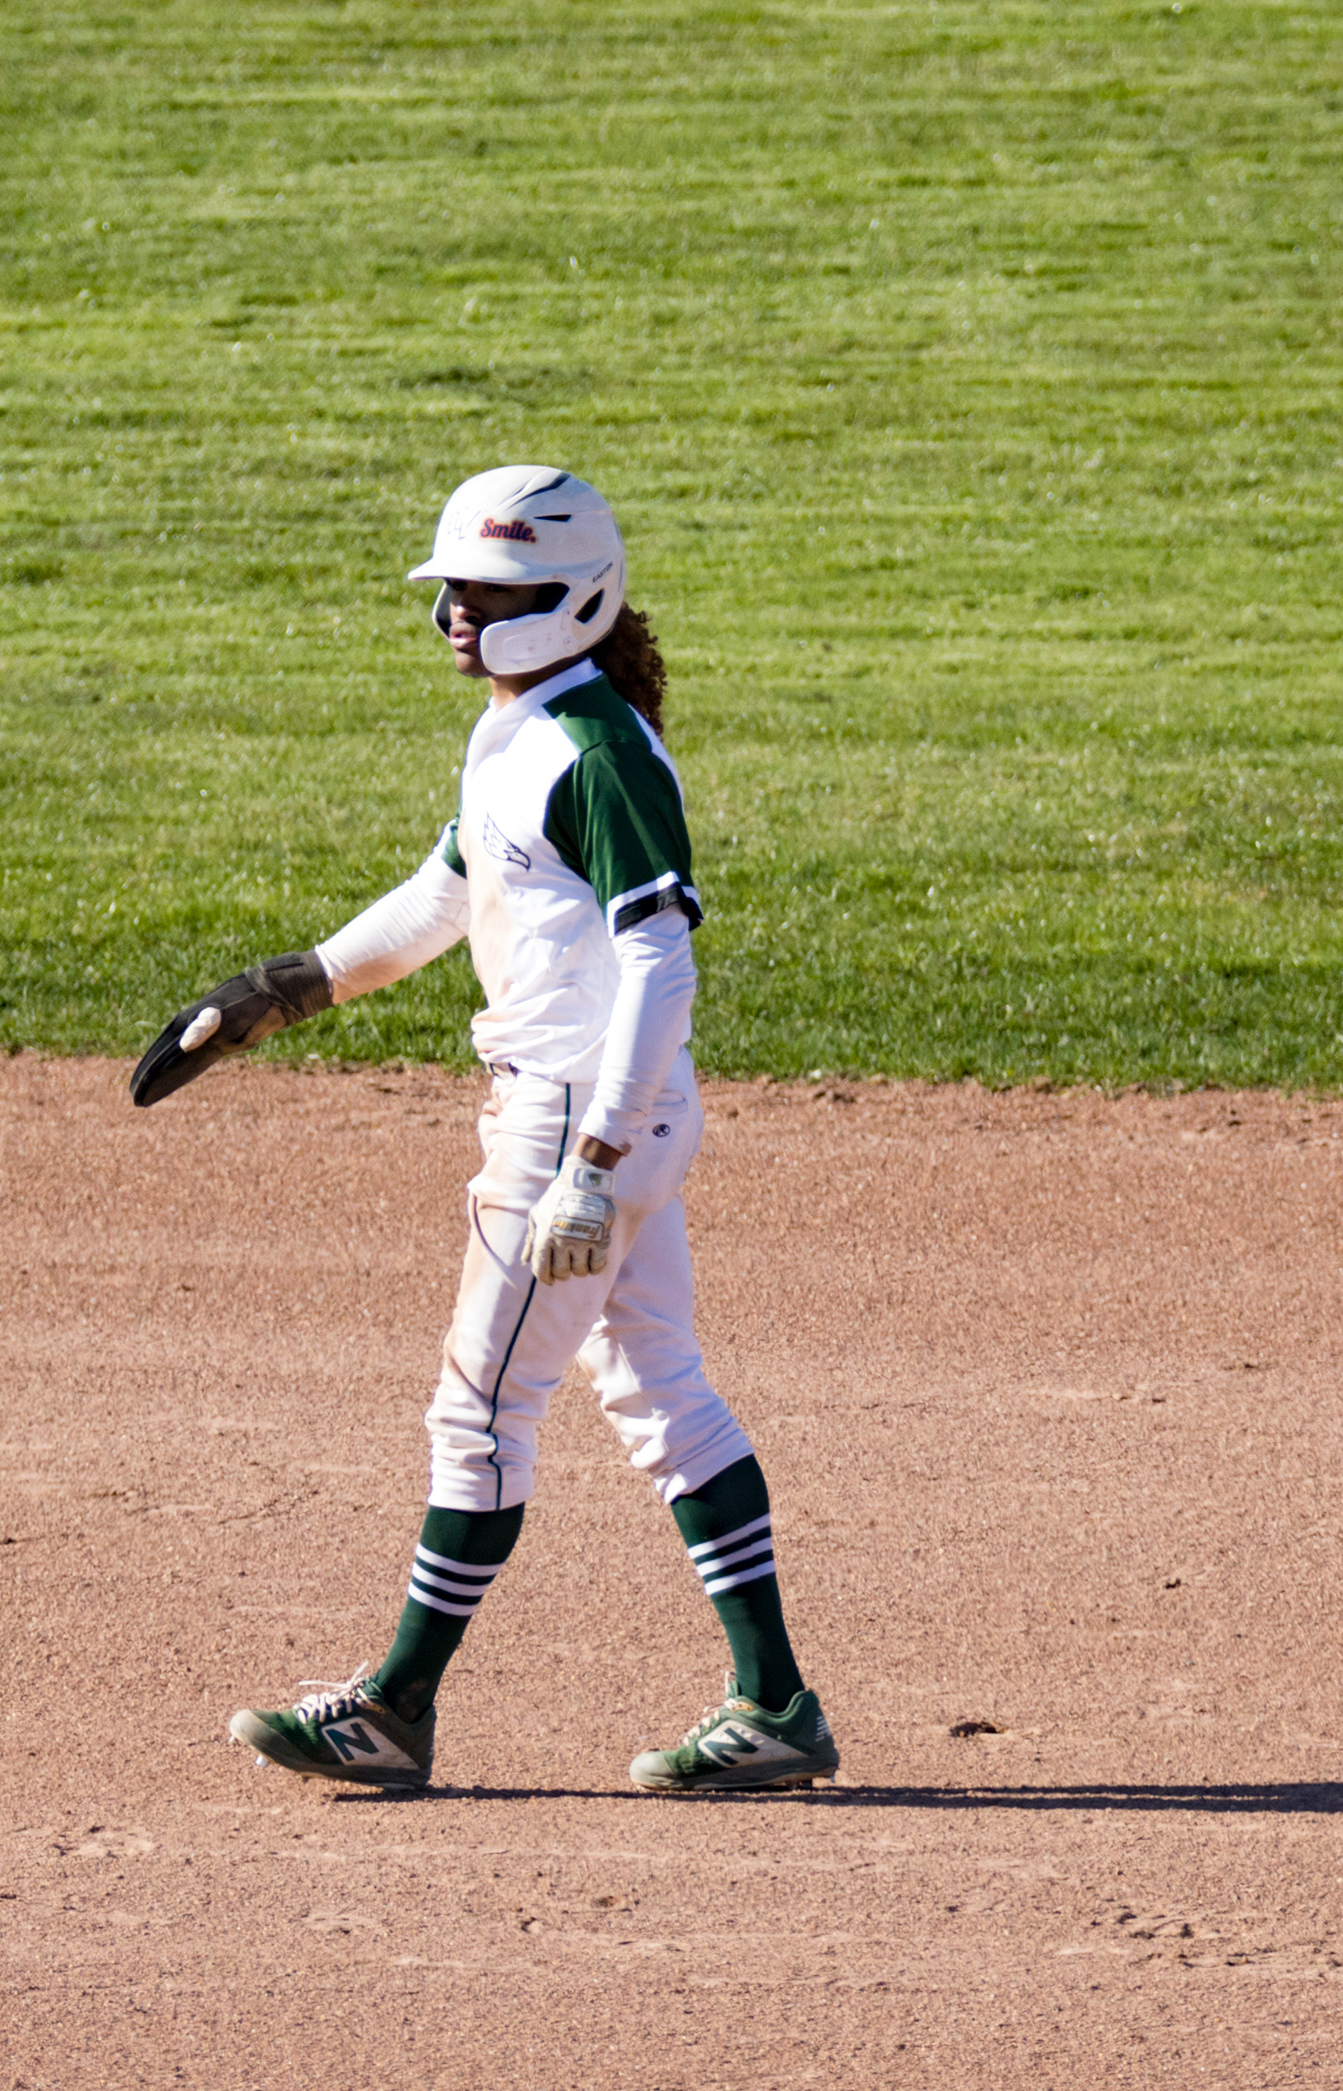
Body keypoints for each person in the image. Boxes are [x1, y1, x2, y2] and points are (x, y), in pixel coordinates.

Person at [127, 464, 838, 1796]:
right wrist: (286, 988)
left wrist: (594, 1164)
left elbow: (662, 963)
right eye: (453, 587)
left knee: (484, 1411)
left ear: (572, 594)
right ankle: (776, 1707)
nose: (460, 612)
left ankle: (395, 1708)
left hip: (579, 1123)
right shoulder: (521, 728)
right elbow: (448, 891)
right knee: (662, 1393)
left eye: (493, 591)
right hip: (607, 1116)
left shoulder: (597, 754)